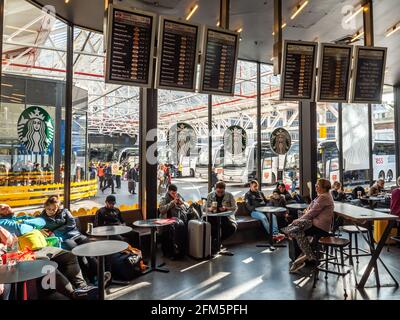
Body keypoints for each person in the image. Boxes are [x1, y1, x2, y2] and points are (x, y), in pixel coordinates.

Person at [0, 204, 98, 300]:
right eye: (3, 208)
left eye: (7, 207)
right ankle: (74, 294)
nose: (6, 208)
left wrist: (22, 220)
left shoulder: (20, 218)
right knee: (47, 265)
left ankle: (82, 287)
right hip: (29, 253)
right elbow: (19, 229)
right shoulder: (2, 222)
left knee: (69, 255)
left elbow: (41, 221)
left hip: (44, 247)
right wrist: (32, 226)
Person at [39, 195, 101, 284]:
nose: (51, 212)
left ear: (58, 208)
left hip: (75, 234)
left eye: (54, 209)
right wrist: (40, 230)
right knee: (78, 251)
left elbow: (72, 223)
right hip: (63, 239)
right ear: (45, 207)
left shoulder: (65, 211)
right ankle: (90, 278)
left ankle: (99, 275)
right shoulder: (41, 219)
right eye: (49, 209)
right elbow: (33, 226)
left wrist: (55, 231)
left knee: (89, 248)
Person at [284, 179, 334, 273]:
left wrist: (298, 220)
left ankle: (304, 258)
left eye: (317, 185)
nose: (315, 187)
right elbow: (311, 209)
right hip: (315, 225)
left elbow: (312, 213)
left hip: (320, 228)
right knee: (293, 230)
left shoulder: (324, 197)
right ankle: (305, 258)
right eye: (315, 185)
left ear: (324, 188)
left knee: (293, 230)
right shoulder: (323, 196)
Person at [206, 181, 238, 253]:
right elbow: (204, 208)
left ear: (224, 190)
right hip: (213, 216)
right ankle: (215, 245)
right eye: (218, 192)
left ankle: (217, 242)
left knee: (232, 227)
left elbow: (235, 207)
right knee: (213, 228)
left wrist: (226, 208)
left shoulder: (229, 195)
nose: (220, 194)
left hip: (225, 216)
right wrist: (210, 209)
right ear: (215, 189)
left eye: (222, 192)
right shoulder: (210, 195)